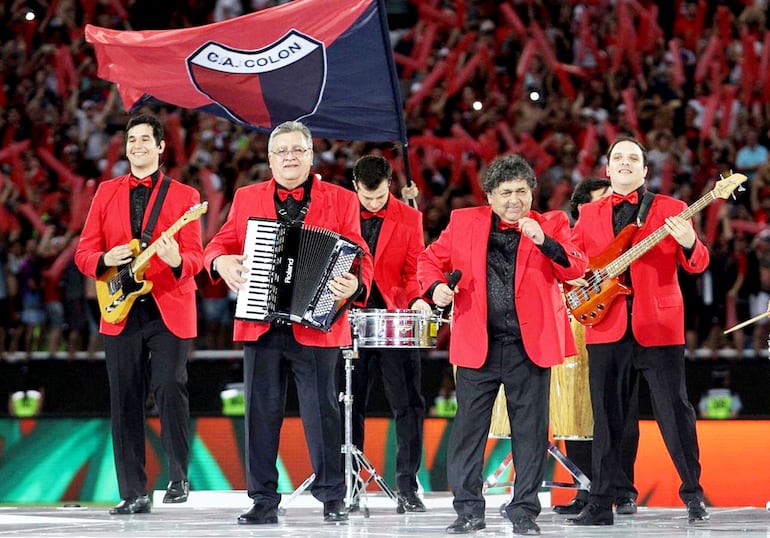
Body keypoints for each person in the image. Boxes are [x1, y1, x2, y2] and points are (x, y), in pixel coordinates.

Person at [203, 121, 374, 525]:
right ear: (269, 158)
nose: (289, 158)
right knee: (260, 414)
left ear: (311, 156)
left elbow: (360, 253)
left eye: (297, 150)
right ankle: (263, 499)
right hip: (260, 325)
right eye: (281, 151)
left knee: (323, 414)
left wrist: (355, 282)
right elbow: (218, 244)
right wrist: (220, 261)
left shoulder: (342, 199)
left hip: (319, 323)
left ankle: (333, 496)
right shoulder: (246, 197)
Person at [417, 154, 587, 535]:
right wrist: (436, 288)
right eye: (506, 192)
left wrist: (545, 242)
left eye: (522, 192)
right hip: (478, 344)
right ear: (490, 196)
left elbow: (577, 266)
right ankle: (468, 510)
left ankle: (524, 511)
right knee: (468, 432)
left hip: (530, 346)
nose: (515, 200)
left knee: (530, 433)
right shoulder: (464, 222)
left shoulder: (553, 223)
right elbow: (428, 261)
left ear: (533, 193)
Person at [568, 136, 710, 526]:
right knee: (607, 418)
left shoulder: (672, 209)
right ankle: (601, 502)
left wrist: (689, 241)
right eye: (619, 158)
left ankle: (693, 495)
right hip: (606, 328)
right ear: (608, 169)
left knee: (674, 413)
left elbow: (698, 264)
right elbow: (573, 264)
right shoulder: (588, 213)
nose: (625, 163)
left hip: (659, 327)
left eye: (633, 158)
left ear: (645, 171)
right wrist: (577, 285)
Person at [75, 113, 203, 514]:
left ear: (162, 147)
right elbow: (82, 252)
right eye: (132, 140)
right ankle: (133, 492)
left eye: (146, 139)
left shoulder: (184, 196)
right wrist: (102, 258)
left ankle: (179, 476)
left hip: (169, 305)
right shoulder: (105, 192)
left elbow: (198, 258)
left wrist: (178, 258)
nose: (137, 146)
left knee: (169, 386)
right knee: (124, 398)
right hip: (120, 307)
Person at [553, 177, 641, 516]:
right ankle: (585, 488)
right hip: (576, 326)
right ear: (581, 210)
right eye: (603, 200)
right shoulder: (569, 239)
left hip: (619, 328)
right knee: (573, 409)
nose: (612, 204)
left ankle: (624, 490)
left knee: (621, 412)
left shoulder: (628, 231)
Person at [349, 155, 431, 513]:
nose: (373, 203)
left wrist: (417, 299)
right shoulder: (340, 211)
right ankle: (349, 483)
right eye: (367, 198)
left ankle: (407, 486)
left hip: (396, 317)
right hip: (350, 316)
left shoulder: (410, 218)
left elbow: (415, 268)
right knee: (348, 405)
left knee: (408, 404)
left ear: (390, 186)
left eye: (379, 197)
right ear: (355, 186)